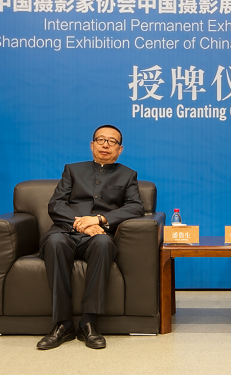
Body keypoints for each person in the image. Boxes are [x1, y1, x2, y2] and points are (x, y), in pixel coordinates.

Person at [37, 125, 144, 350]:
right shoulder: (72, 170)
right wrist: (81, 224)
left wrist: (99, 220)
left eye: (112, 141)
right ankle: (62, 324)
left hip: (98, 235)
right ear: (92, 145)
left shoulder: (128, 175)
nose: (106, 145)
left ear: (120, 149)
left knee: (104, 243)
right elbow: (56, 204)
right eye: (101, 140)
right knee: (54, 242)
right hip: (65, 231)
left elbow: (135, 207)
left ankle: (88, 322)